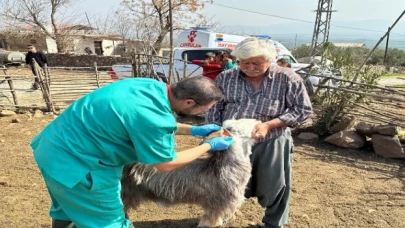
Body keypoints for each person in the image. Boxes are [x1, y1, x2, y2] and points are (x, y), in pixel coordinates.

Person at [31, 76, 234, 228]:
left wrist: (192, 130)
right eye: (203, 110)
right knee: (110, 222)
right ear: (189, 102)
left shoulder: (148, 86)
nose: (202, 114)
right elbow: (166, 164)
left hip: (50, 149)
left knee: (66, 209)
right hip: (81, 167)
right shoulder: (154, 119)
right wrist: (208, 145)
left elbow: (138, 120)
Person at [206, 38, 312, 228]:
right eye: (244, 62)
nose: (250, 67)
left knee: (275, 184)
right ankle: (219, 216)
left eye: (256, 63)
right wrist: (215, 131)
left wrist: (270, 125)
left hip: (271, 139)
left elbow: (303, 110)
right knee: (226, 181)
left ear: (270, 60)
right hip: (232, 140)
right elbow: (215, 107)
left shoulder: (287, 78)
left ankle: (274, 223)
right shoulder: (226, 77)